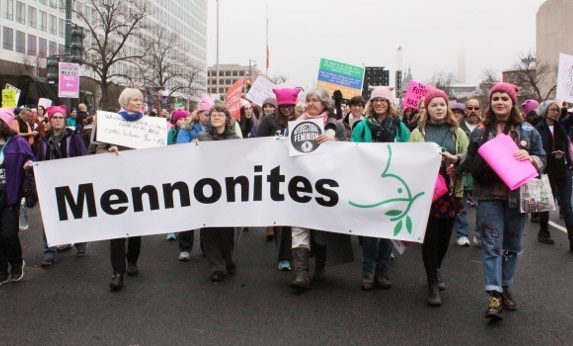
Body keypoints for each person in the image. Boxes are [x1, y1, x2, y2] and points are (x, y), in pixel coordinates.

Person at [466, 82, 545, 320]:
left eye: (504, 98)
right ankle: (493, 293)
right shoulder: (480, 131)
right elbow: (470, 159)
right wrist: (454, 165)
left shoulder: (528, 130)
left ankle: (506, 286)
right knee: (491, 245)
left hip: (517, 196)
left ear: (513, 103)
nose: (500, 102)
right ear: (490, 103)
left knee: (511, 246)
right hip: (488, 196)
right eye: (496, 98)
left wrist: (531, 158)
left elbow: (543, 158)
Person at [290, 87, 353, 292]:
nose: (311, 104)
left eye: (315, 100)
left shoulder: (337, 125)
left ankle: (320, 266)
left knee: (320, 230)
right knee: (298, 227)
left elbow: (350, 150)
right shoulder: (296, 125)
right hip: (300, 184)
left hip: (325, 185)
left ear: (325, 104)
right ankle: (301, 274)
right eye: (308, 100)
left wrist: (335, 141)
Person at [409, 89, 468, 306]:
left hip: (451, 193)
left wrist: (456, 162)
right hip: (427, 194)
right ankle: (432, 282)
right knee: (430, 238)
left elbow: (468, 157)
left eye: (442, 104)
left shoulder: (457, 132)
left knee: (444, 238)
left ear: (447, 107)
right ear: (427, 109)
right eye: (434, 105)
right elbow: (408, 160)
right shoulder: (417, 133)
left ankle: (436, 268)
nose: (439, 108)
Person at [351, 86, 410, 291]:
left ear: (389, 104)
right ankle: (368, 272)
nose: (378, 104)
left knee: (386, 230)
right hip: (369, 184)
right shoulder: (362, 127)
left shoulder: (400, 127)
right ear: (370, 104)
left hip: (392, 184)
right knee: (369, 232)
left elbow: (409, 153)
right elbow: (353, 152)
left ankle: (383, 271)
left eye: (383, 101)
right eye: (375, 100)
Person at [95, 88, 147, 291]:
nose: (139, 102)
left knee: (135, 225)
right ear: (125, 102)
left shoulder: (148, 124)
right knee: (117, 227)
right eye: (135, 99)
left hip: (139, 182)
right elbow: (96, 148)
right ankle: (118, 271)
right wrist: (108, 151)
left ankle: (132, 259)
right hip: (115, 182)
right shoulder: (109, 122)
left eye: (141, 99)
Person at [36, 106, 89, 266]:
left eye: (60, 117)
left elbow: (83, 157)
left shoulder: (74, 137)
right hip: (50, 184)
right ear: (50, 121)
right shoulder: (44, 140)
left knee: (74, 213)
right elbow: (39, 160)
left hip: (71, 182)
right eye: (54, 118)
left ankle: (80, 244)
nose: (58, 120)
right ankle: (49, 252)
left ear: (64, 120)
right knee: (49, 217)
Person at [257, 87, 302, 271]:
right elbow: (258, 144)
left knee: (297, 218)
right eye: (283, 106)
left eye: (290, 106)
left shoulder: (301, 120)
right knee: (281, 218)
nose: (286, 110)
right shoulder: (269, 120)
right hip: (277, 174)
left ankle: (301, 255)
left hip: (298, 173)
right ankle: (283, 256)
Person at [196, 103, 241, 282]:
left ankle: (227, 259)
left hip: (228, 189)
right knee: (209, 228)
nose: (215, 117)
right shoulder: (201, 137)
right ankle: (217, 266)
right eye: (213, 114)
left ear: (227, 119)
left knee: (226, 230)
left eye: (220, 115)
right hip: (206, 188)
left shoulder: (235, 140)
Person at [0, 118, 35, 285]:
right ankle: (2, 269)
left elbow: (32, 159)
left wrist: (29, 164)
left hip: (9, 196)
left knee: (7, 234)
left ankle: (16, 262)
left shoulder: (17, 143)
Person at [535, 100, 573, 249]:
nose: (556, 112)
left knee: (567, 205)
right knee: (546, 204)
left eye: (557, 110)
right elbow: (537, 150)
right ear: (545, 112)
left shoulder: (562, 127)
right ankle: (544, 232)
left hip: (563, 171)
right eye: (552, 110)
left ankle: (572, 238)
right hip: (546, 171)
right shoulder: (538, 129)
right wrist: (551, 155)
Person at [454, 98, 482, 247]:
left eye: (476, 108)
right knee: (462, 206)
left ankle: (479, 235)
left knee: (481, 207)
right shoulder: (457, 128)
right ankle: (462, 234)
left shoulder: (486, 127)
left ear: (480, 110)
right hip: (463, 173)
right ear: (465, 110)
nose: (473, 111)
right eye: (470, 108)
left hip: (480, 173)